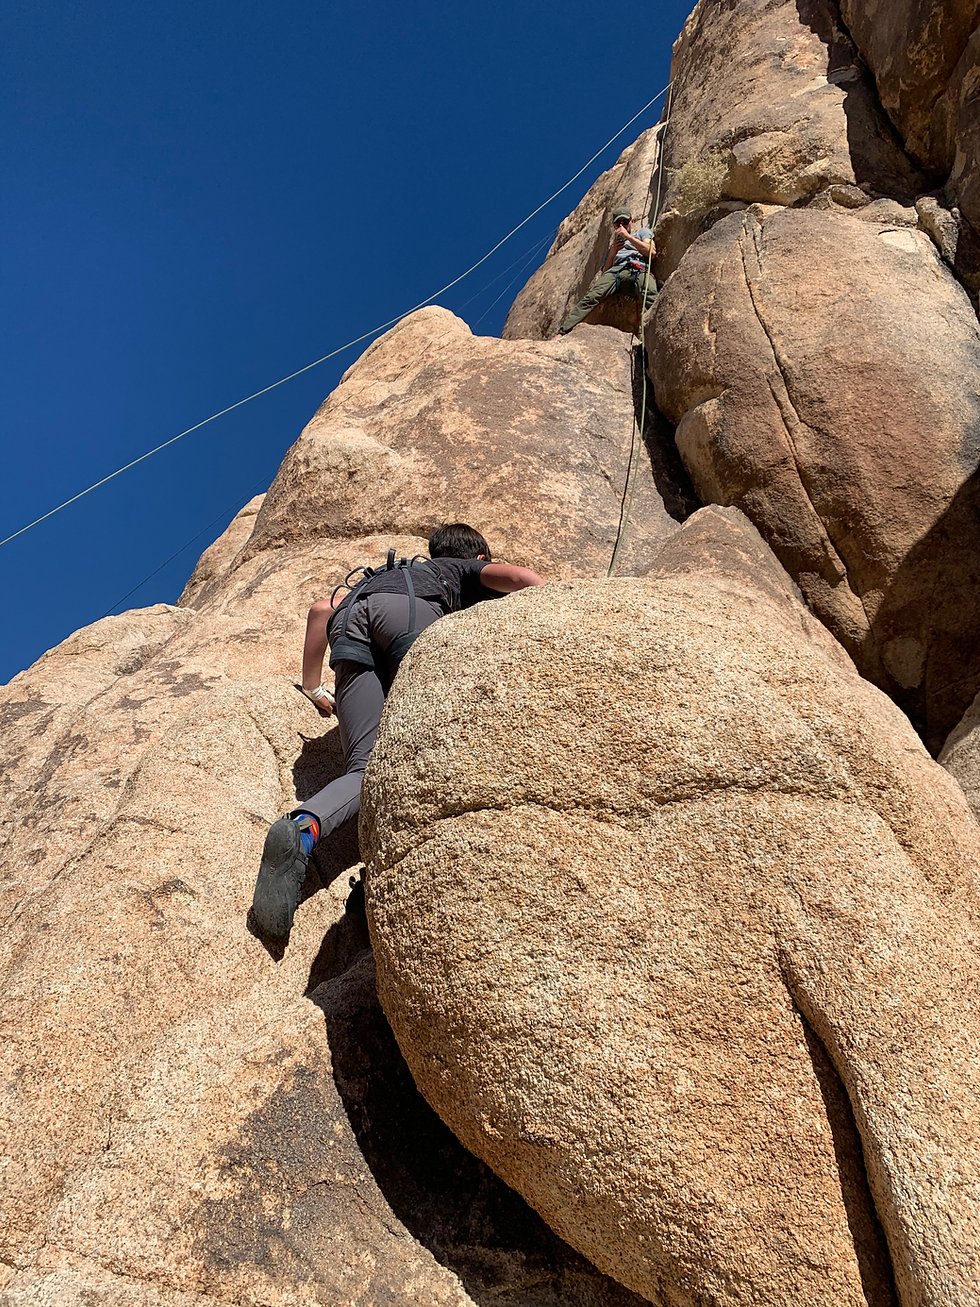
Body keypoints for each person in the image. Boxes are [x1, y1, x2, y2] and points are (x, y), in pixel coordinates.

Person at [248, 523, 544, 956]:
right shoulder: (461, 567)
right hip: (410, 622)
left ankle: (303, 829)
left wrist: (314, 689)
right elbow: (524, 580)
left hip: (350, 634)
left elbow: (317, 611)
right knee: (440, 756)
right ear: (478, 556)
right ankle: (387, 881)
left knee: (367, 770)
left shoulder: (372, 579)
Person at [556, 206, 657, 336]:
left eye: (625, 222)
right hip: (616, 272)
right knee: (592, 297)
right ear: (614, 226)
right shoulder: (612, 248)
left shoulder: (642, 233)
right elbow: (605, 273)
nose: (622, 226)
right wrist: (612, 253)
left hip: (638, 268)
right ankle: (562, 332)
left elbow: (651, 252)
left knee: (651, 295)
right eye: (618, 223)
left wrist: (629, 237)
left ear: (631, 222)